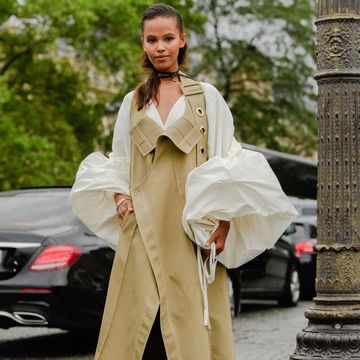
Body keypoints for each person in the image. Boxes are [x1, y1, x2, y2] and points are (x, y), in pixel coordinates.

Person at [70, 3, 298, 359]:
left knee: (187, 326)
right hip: (142, 229)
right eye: (151, 39)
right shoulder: (132, 102)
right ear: (143, 44)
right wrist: (119, 199)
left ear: (181, 41)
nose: (159, 46)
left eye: (167, 38)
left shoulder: (207, 97)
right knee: (137, 328)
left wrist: (222, 224)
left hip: (191, 231)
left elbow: (227, 162)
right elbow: (119, 161)